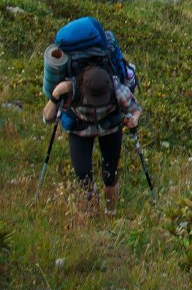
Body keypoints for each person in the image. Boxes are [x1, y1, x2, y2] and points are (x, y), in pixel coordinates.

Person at [43, 62, 140, 212]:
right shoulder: (71, 88)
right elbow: (47, 118)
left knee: (110, 174)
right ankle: (93, 211)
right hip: (80, 129)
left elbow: (135, 109)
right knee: (83, 175)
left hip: (109, 128)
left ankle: (110, 213)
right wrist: (56, 95)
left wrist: (134, 119)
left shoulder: (115, 86)